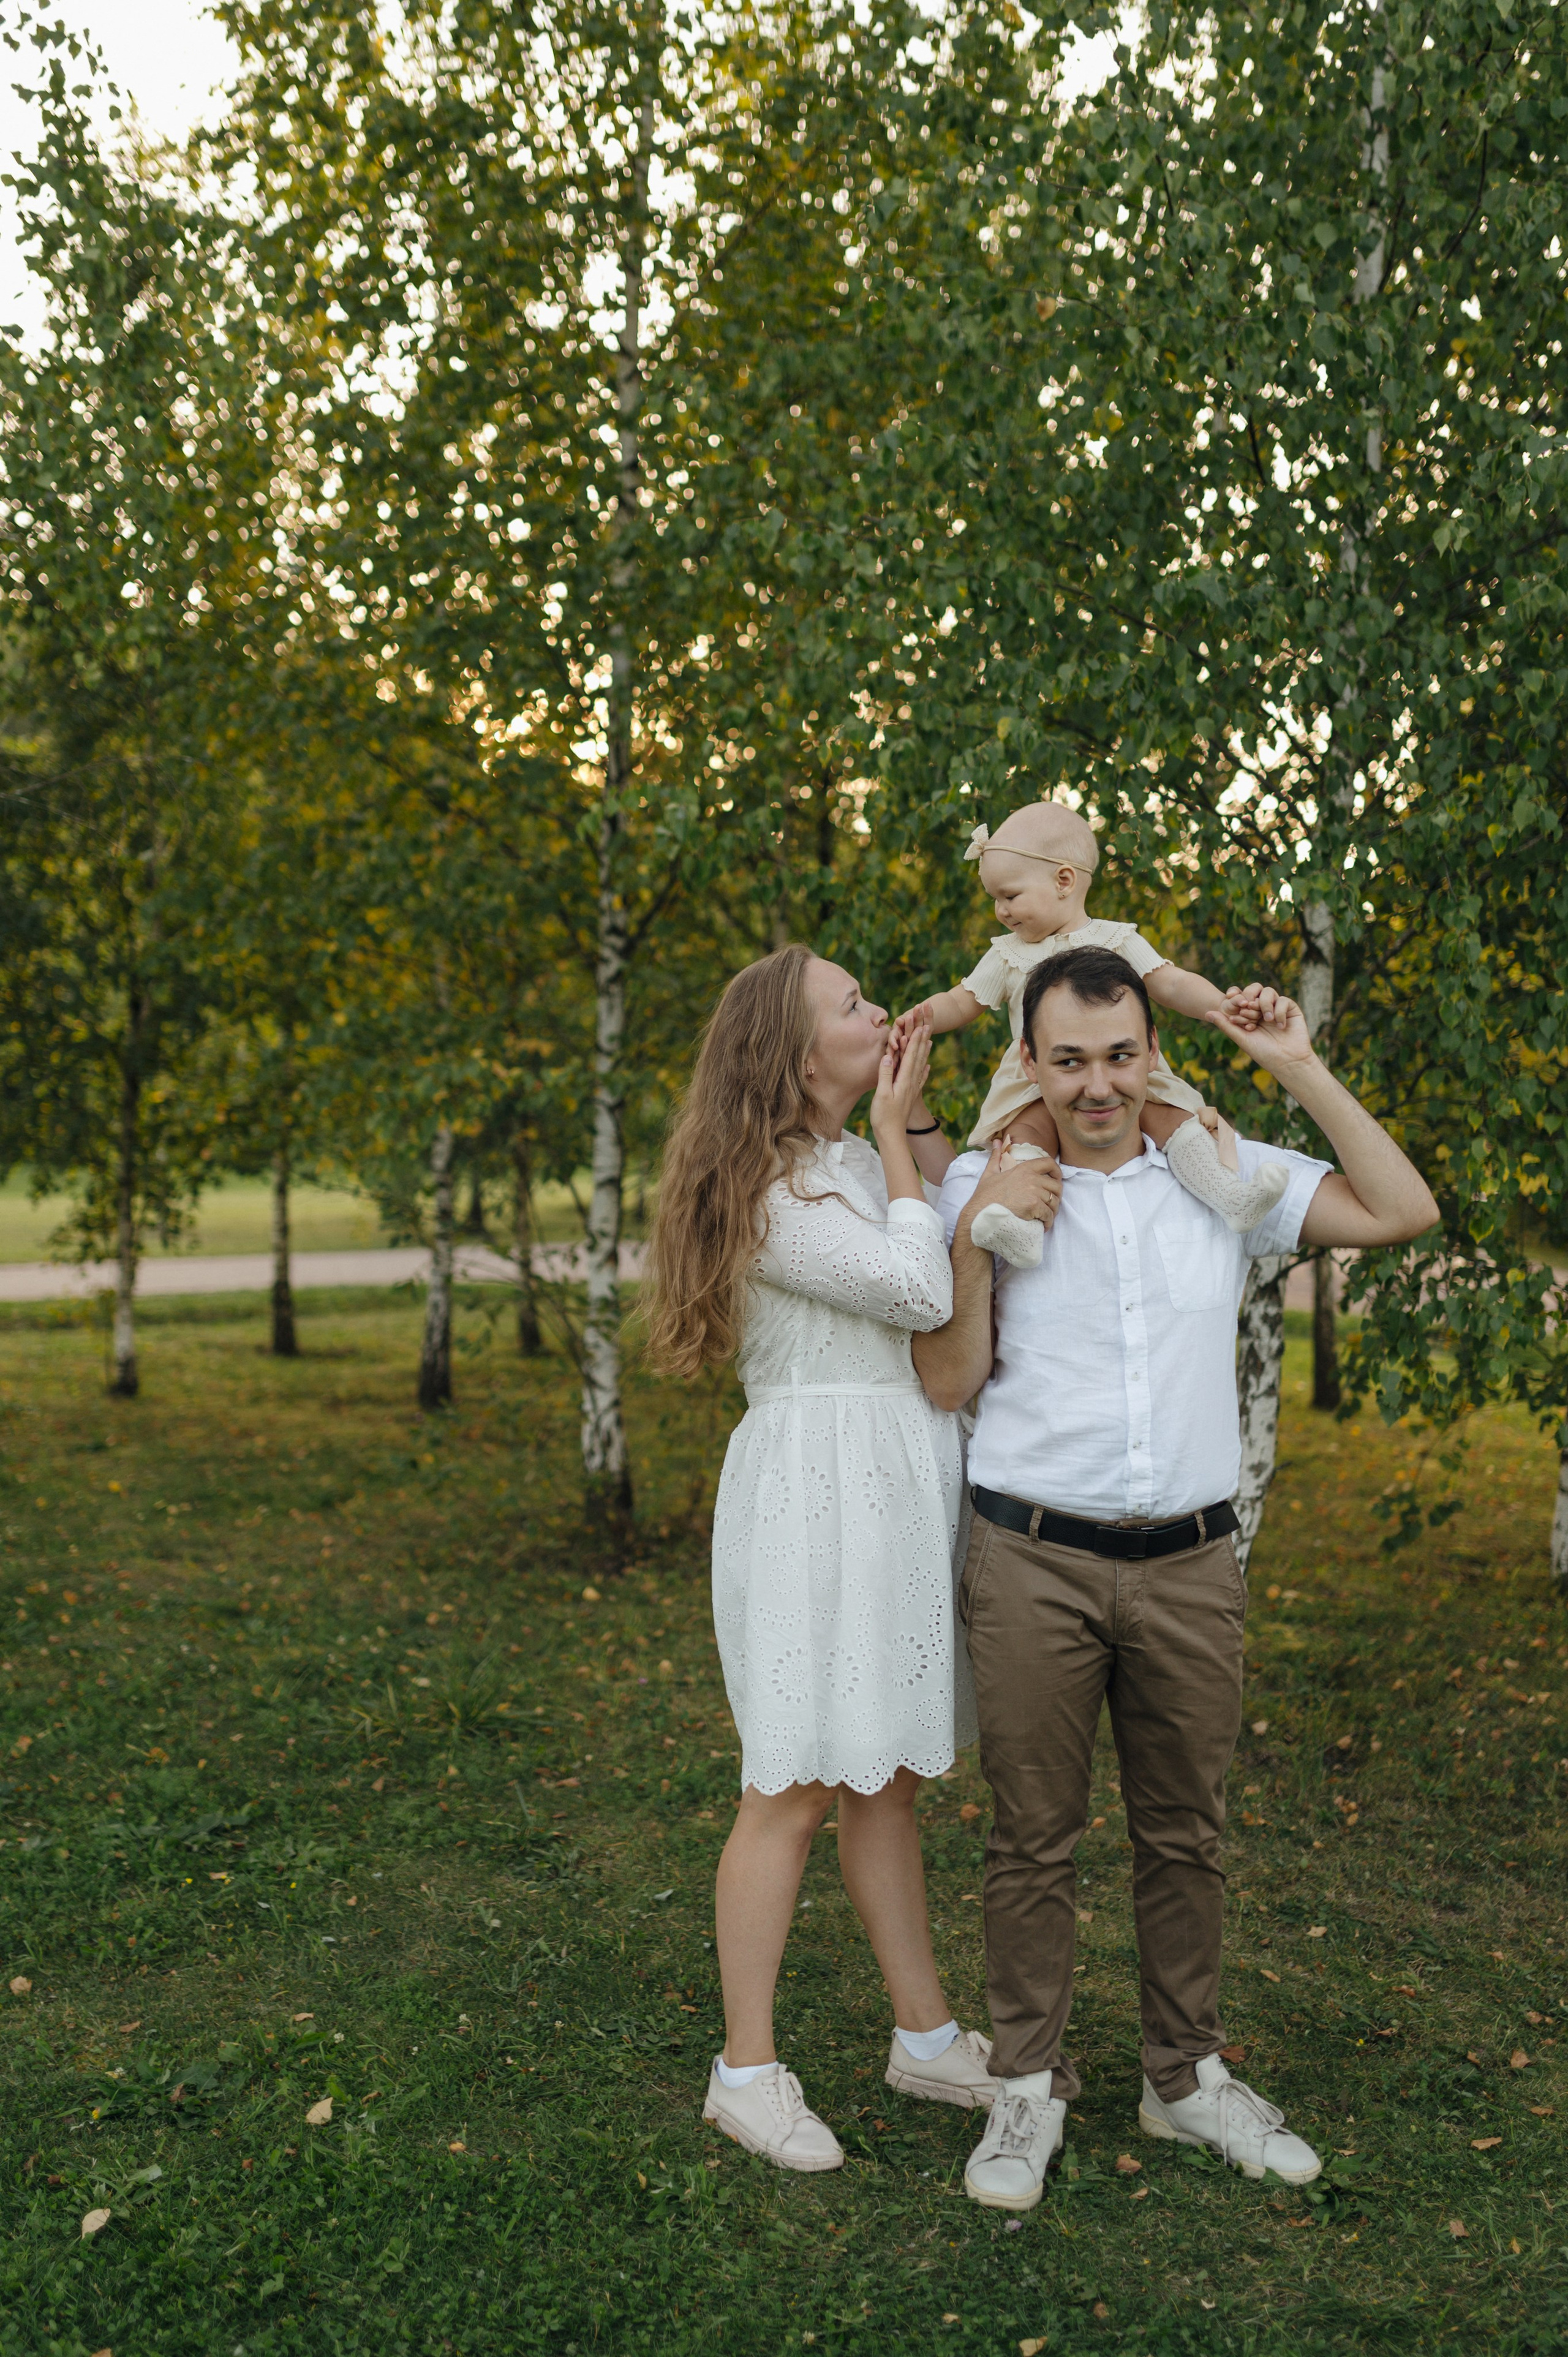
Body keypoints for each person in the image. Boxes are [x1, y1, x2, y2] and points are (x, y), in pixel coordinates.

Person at [914, 945, 1438, 2214]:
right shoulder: (984, 1184)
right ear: (1027, 1062)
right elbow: (943, 1380)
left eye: (1118, 1055)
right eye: (1067, 1059)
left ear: (1150, 1050)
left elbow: (1399, 1209)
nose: (1095, 1086)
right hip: (1031, 1554)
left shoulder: (1217, 1171)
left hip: (1193, 1562)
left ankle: (1183, 2074)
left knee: (1182, 1836)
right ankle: (1023, 2088)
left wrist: (1295, 1067)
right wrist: (984, 1233)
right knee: (1030, 1841)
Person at [644, 943, 1060, 2172]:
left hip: (896, 1479)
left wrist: (909, 1120)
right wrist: (894, 1135)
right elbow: (917, 1283)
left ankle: (924, 2036)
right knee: (790, 1784)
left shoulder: (841, 1159)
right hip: (809, 1493)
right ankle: (745, 2069)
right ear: (793, 1051)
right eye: (852, 1004)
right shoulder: (758, 1186)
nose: (880, 1010)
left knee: (883, 1777)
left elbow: (954, 1207)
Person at [893, 799, 1289, 1253]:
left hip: (1119, 1068)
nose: (1001, 911)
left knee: (1173, 1119)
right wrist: (920, 1017)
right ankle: (1023, 1230)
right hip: (1039, 1076)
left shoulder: (1116, 940)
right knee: (1025, 1139)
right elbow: (961, 1001)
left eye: (1010, 895)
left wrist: (1224, 1005)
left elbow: (1172, 984)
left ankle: (1229, 1196)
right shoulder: (1008, 953)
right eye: (995, 900)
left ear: (1064, 881)